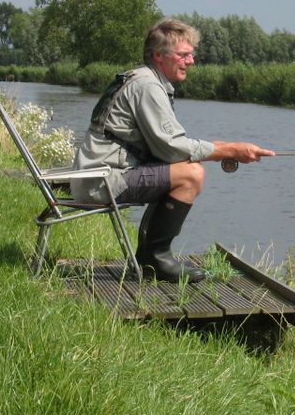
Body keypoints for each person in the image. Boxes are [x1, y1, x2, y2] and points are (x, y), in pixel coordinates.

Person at [70, 18, 275, 283]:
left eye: (191, 54)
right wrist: (230, 151)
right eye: (183, 55)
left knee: (187, 167)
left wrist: (227, 148)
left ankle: (151, 258)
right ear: (159, 55)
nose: (191, 61)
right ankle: (155, 259)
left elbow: (169, 145)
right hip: (101, 183)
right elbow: (172, 148)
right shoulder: (148, 87)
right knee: (191, 174)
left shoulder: (142, 79)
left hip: (95, 177)